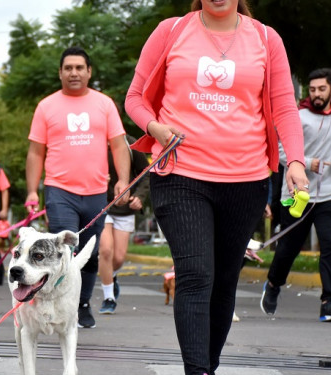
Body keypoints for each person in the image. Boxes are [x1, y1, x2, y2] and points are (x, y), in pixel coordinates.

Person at [124, 1, 308, 373]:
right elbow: (135, 99)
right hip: (180, 175)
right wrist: (155, 128)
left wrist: (297, 163)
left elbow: (285, 108)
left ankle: (208, 366)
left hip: (247, 181)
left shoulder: (267, 39)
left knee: (224, 281)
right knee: (195, 275)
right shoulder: (171, 31)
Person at [26, 46, 131, 329]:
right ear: (60, 72)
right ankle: (57, 305)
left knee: (91, 253)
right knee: (65, 252)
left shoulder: (104, 104)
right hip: (60, 190)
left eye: (79, 68)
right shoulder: (47, 106)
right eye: (68, 68)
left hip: (96, 193)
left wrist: (122, 179)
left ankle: (82, 303)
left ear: (89, 72)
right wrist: (33, 190)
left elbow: (119, 145)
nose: (74, 72)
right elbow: (36, 152)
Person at [261, 67, 331, 322]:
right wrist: (305, 162)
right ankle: (273, 285)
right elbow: (279, 150)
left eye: (321, 89)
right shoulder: (296, 115)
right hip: (296, 192)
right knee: (289, 248)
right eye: (313, 89)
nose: (316, 94)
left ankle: (329, 302)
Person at [98, 135, 150, 315]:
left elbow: (145, 172)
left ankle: (110, 276)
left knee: (118, 258)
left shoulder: (130, 143)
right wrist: (95, 179)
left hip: (125, 208)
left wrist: (140, 197)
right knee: (105, 250)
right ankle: (108, 297)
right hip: (100, 205)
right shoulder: (91, 141)